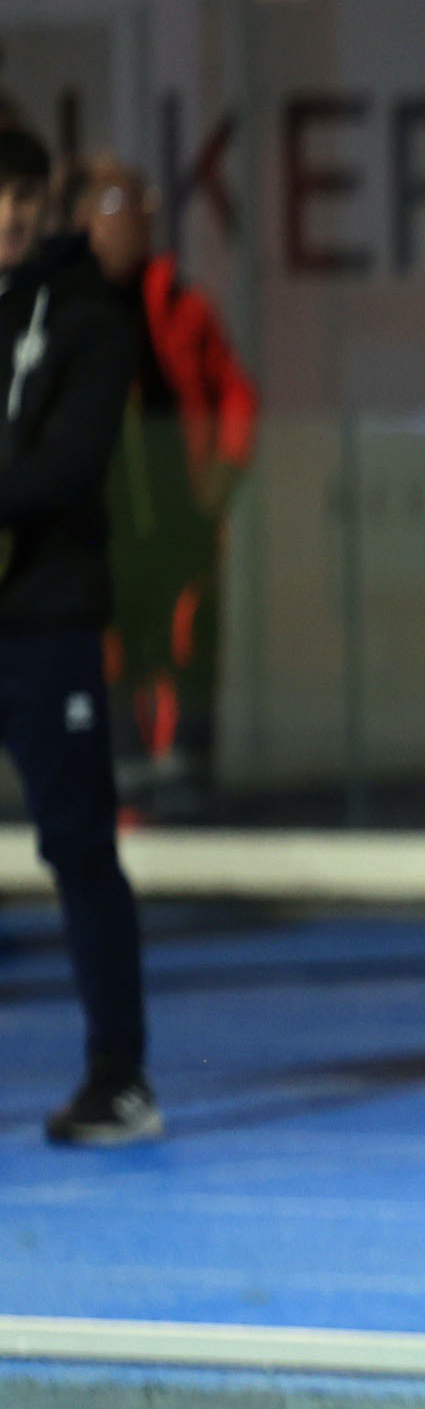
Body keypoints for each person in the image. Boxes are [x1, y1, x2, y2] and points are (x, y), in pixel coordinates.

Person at [0, 126, 159, 1145]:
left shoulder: (89, 317)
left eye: (23, 197)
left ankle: (120, 1077)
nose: (9, 216)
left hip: (44, 624)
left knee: (78, 845)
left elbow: (65, 468)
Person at [74, 159, 257, 813]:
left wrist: (223, 474)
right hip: (101, 520)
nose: (133, 226)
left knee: (186, 637)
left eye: (140, 212)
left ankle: (186, 773)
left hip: (178, 512)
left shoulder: (179, 302)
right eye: (118, 211)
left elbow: (236, 396)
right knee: (110, 646)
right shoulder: (63, 308)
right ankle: (122, 775)